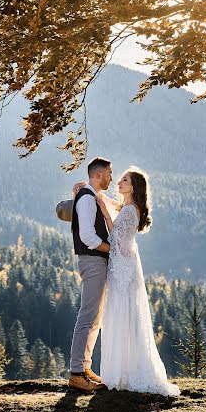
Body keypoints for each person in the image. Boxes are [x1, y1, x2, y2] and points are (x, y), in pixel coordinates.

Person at [95, 167, 180, 396]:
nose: (119, 182)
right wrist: (103, 199)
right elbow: (118, 208)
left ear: (133, 187)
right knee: (123, 317)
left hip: (123, 271)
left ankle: (124, 373)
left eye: (124, 180)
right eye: (121, 178)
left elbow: (117, 241)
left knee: (122, 317)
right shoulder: (130, 208)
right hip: (124, 269)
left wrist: (103, 210)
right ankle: (122, 371)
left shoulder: (130, 211)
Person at [68, 157, 113, 392]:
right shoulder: (86, 198)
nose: (111, 178)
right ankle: (76, 372)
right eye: (109, 174)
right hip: (92, 260)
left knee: (95, 318)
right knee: (87, 316)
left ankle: (84, 367)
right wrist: (111, 249)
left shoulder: (92, 196)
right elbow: (87, 236)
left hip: (96, 261)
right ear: (98, 174)